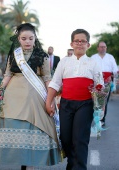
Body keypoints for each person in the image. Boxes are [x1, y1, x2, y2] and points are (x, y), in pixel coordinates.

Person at [0, 23, 61, 170]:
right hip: (13, 97)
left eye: (30, 38)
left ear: (35, 39)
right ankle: (23, 163)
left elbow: (46, 78)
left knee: (33, 129)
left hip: (34, 97)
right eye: (24, 38)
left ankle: (30, 165)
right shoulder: (14, 55)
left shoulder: (42, 55)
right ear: (18, 39)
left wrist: (51, 99)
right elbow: (7, 75)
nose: (27, 41)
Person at [46, 29, 104, 170]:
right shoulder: (64, 62)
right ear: (71, 43)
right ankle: (72, 163)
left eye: (83, 41)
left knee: (80, 139)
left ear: (88, 45)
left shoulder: (93, 63)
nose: (79, 43)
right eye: (76, 41)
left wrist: (100, 101)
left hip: (85, 105)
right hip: (66, 104)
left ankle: (79, 167)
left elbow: (100, 85)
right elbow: (55, 83)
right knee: (65, 139)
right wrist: (48, 102)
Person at [91, 41, 118, 126]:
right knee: (96, 101)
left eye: (104, 47)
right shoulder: (93, 57)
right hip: (96, 82)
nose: (103, 48)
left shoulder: (110, 57)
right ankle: (95, 118)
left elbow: (115, 69)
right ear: (98, 48)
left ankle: (102, 120)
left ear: (106, 48)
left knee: (104, 101)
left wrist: (113, 75)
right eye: (101, 47)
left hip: (107, 82)